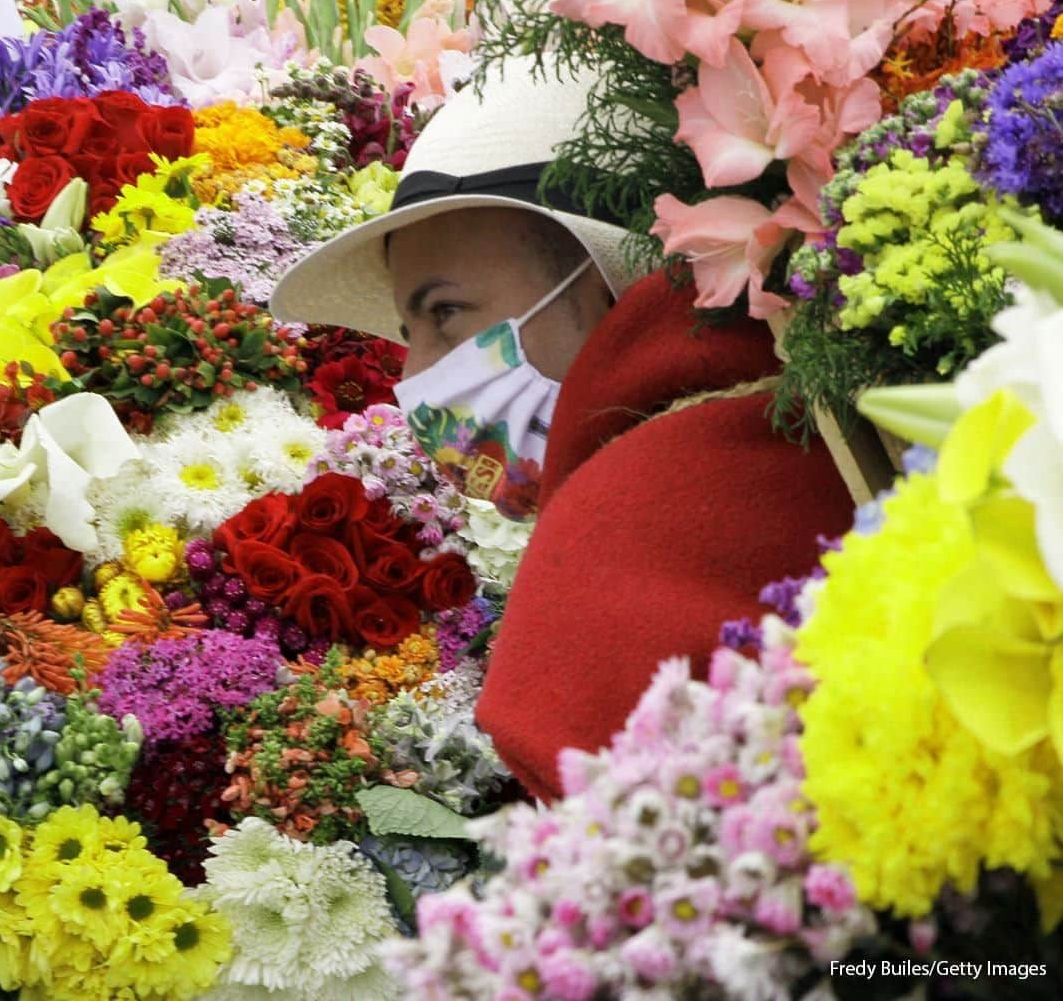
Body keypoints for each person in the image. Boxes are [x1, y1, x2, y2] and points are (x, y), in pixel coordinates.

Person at [271, 57, 853, 802]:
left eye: (446, 313)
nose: (412, 375)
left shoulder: (621, 532)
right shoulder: (800, 407)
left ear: (600, 273)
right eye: (406, 327)